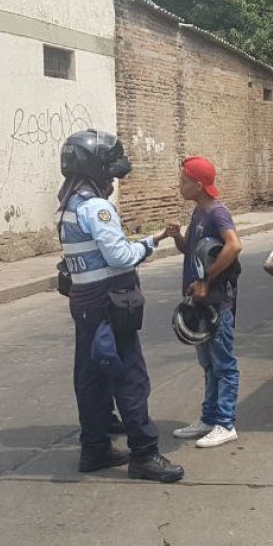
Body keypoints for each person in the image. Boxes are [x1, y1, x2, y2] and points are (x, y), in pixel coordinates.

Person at [56, 129, 184, 483]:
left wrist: (152, 236)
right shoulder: (97, 208)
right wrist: (148, 246)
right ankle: (144, 455)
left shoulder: (68, 204)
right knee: (130, 379)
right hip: (109, 306)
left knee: (91, 378)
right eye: (110, 172)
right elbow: (120, 256)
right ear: (96, 169)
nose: (112, 180)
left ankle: (94, 449)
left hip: (84, 305)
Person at [168, 157, 244, 448]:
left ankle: (225, 423)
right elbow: (190, 249)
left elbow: (234, 245)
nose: (180, 186)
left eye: (184, 182)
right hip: (199, 302)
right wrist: (177, 238)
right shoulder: (199, 212)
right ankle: (209, 418)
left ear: (198, 185)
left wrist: (206, 280)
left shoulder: (217, 212)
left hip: (216, 302)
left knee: (223, 363)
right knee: (208, 364)